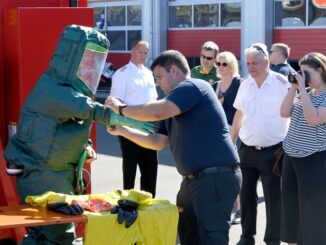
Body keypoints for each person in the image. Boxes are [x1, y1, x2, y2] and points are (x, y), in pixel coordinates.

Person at [4, 25, 153, 245]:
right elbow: (90, 110)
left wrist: (86, 147)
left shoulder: (64, 89)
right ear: (71, 57)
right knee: (59, 236)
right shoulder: (54, 89)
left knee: (42, 235)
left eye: (95, 60)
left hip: (54, 179)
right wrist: (141, 120)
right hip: (43, 180)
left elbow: (65, 128)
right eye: (88, 59)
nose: (91, 67)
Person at [106, 50, 242, 245]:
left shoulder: (192, 86)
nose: (157, 82)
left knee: (212, 238)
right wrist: (123, 131)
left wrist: (121, 108)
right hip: (193, 181)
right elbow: (157, 142)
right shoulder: (174, 101)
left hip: (214, 177)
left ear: (174, 70)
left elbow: (156, 112)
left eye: (159, 76)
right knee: (186, 235)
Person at [231, 43, 290, 245]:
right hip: (246, 150)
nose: (251, 67)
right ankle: (247, 237)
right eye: (247, 63)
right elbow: (239, 114)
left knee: (274, 199)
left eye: (255, 63)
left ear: (267, 62)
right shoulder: (245, 84)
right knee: (246, 197)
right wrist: (231, 141)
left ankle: (273, 239)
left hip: (274, 151)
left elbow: (295, 112)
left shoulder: (282, 83)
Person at [280, 52, 326, 245]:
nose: (302, 76)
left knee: (312, 211)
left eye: (306, 73)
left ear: (320, 71)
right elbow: (283, 112)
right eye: (300, 72)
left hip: (313, 159)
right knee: (291, 210)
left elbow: (313, 118)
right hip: (291, 158)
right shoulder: (302, 93)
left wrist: (302, 90)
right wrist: (293, 88)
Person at [109, 40, 158, 197]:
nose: (143, 55)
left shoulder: (149, 73)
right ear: (132, 51)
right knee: (130, 169)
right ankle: (128, 203)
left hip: (149, 128)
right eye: (140, 52)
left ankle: (149, 202)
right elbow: (115, 102)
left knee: (150, 168)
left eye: (146, 52)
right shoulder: (122, 74)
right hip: (129, 127)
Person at [215, 51, 242, 224]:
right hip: (219, 132)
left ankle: (240, 209)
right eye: (218, 63)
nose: (221, 67)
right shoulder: (215, 85)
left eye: (225, 64)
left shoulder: (240, 83)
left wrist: (233, 137)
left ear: (232, 64)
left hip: (238, 131)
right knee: (221, 170)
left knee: (235, 170)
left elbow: (243, 111)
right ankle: (224, 208)